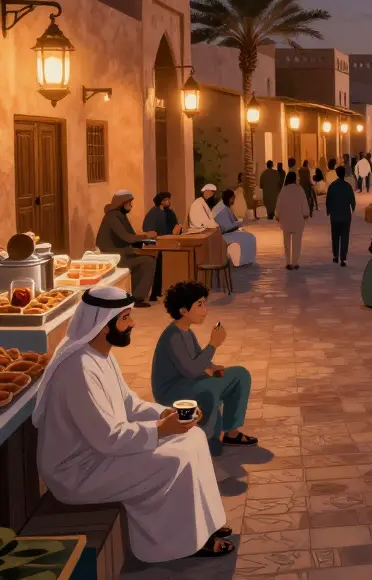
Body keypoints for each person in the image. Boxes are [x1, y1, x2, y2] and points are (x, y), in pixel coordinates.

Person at [33, 286, 232, 560]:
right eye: (125, 318)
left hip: (100, 455)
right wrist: (162, 430)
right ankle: (181, 544)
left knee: (194, 437)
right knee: (173, 459)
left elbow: (129, 404)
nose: (133, 324)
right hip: (80, 471)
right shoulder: (78, 369)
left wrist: (165, 415)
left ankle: (207, 525)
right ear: (104, 325)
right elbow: (108, 439)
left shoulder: (101, 357)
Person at [152, 281, 256, 456]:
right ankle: (208, 440)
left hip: (188, 381)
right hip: (171, 389)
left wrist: (212, 368)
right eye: (199, 304)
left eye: (204, 303)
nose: (205, 309)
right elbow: (191, 370)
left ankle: (232, 432)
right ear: (184, 311)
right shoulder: (173, 336)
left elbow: (199, 360)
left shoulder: (187, 332)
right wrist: (213, 344)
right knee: (209, 389)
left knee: (240, 375)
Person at [95, 190, 157, 306]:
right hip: (113, 256)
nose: (131, 206)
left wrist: (144, 239)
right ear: (121, 203)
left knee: (147, 258)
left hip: (120, 253)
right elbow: (127, 237)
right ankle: (137, 298)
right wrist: (145, 236)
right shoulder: (112, 217)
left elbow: (131, 236)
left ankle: (140, 295)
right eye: (129, 203)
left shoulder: (119, 215)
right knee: (148, 261)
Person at [213, 189, 257, 266]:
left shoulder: (225, 207)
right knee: (249, 237)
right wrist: (239, 223)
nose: (234, 200)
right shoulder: (222, 210)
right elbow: (226, 228)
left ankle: (246, 261)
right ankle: (242, 261)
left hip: (228, 233)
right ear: (230, 198)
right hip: (224, 236)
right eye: (233, 198)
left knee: (250, 237)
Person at [275, 172, 308, 270]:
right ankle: (295, 262)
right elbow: (304, 203)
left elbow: (279, 204)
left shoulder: (283, 190)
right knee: (297, 243)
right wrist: (305, 214)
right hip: (298, 220)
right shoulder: (300, 189)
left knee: (286, 242)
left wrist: (277, 215)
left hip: (286, 220)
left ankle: (288, 262)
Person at [326, 166, 357, 266]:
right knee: (345, 236)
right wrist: (352, 209)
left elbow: (328, 200)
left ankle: (335, 256)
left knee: (335, 236)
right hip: (345, 215)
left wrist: (328, 210)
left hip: (335, 215)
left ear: (337, 173)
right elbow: (352, 200)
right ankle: (343, 258)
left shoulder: (332, 186)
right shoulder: (347, 186)